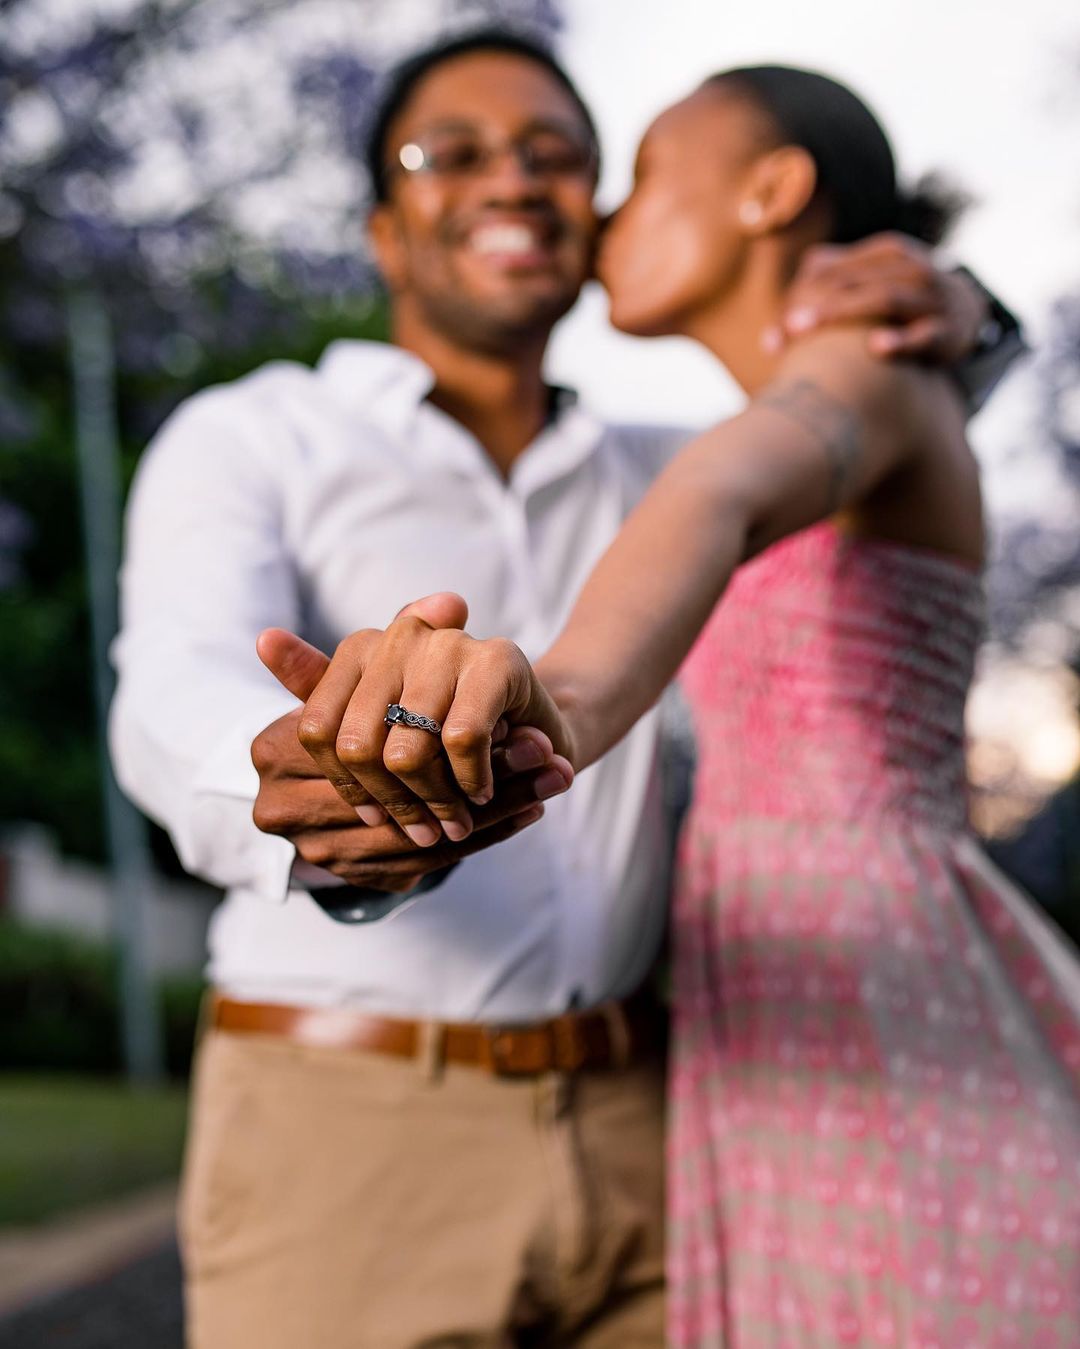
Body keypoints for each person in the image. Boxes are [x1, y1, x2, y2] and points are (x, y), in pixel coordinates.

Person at [110, 28, 1017, 1349]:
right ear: (382, 228)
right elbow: (174, 681)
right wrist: (278, 780)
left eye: (561, 158)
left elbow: (859, 444)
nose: (515, 180)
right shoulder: (259, 433)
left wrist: (966, 304)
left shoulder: (669, 462)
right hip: (351, 1131)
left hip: (665, 1126)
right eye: (452, 153)